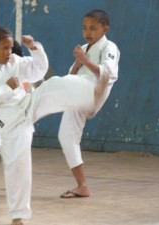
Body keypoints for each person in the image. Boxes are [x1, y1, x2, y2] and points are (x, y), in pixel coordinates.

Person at [0, 22, 108, 225]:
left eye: (10, 47)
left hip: (27, 104)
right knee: (19, 169)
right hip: (10, 122)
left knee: (54, 84)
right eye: (4, 48)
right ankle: (18, 217)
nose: (9, 52)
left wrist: (34, 48)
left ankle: (91, 93)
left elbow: (39, 71)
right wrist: (6, 89)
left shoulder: (14, 61)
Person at [59, 9, 120, 198]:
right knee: (65, 137)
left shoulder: (109, 47)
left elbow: (107, 73)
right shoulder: (84, 48)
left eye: (93, 28)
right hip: (78, 94)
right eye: (85, 28)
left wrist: (85, 60)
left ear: (105, 29)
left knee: (49, 87)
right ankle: (82, 185)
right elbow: (71, 75)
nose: (88, 32)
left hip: (92, 92)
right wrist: (78, 62)